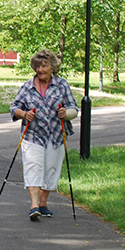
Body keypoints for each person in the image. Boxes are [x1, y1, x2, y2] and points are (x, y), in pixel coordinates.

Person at [10, 49, 79, 222]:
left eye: (44, 66)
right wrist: (24, 114)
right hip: (33, 134)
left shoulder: (62, 85)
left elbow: (74, 108)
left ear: (52, 67)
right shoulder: (28, 86)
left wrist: (66, 113)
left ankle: (43, 203)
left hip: (56, 134)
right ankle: (34, 206)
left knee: (51, 169)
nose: (40, 70)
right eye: (38, 67)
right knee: (33, 167)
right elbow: (14, 107)